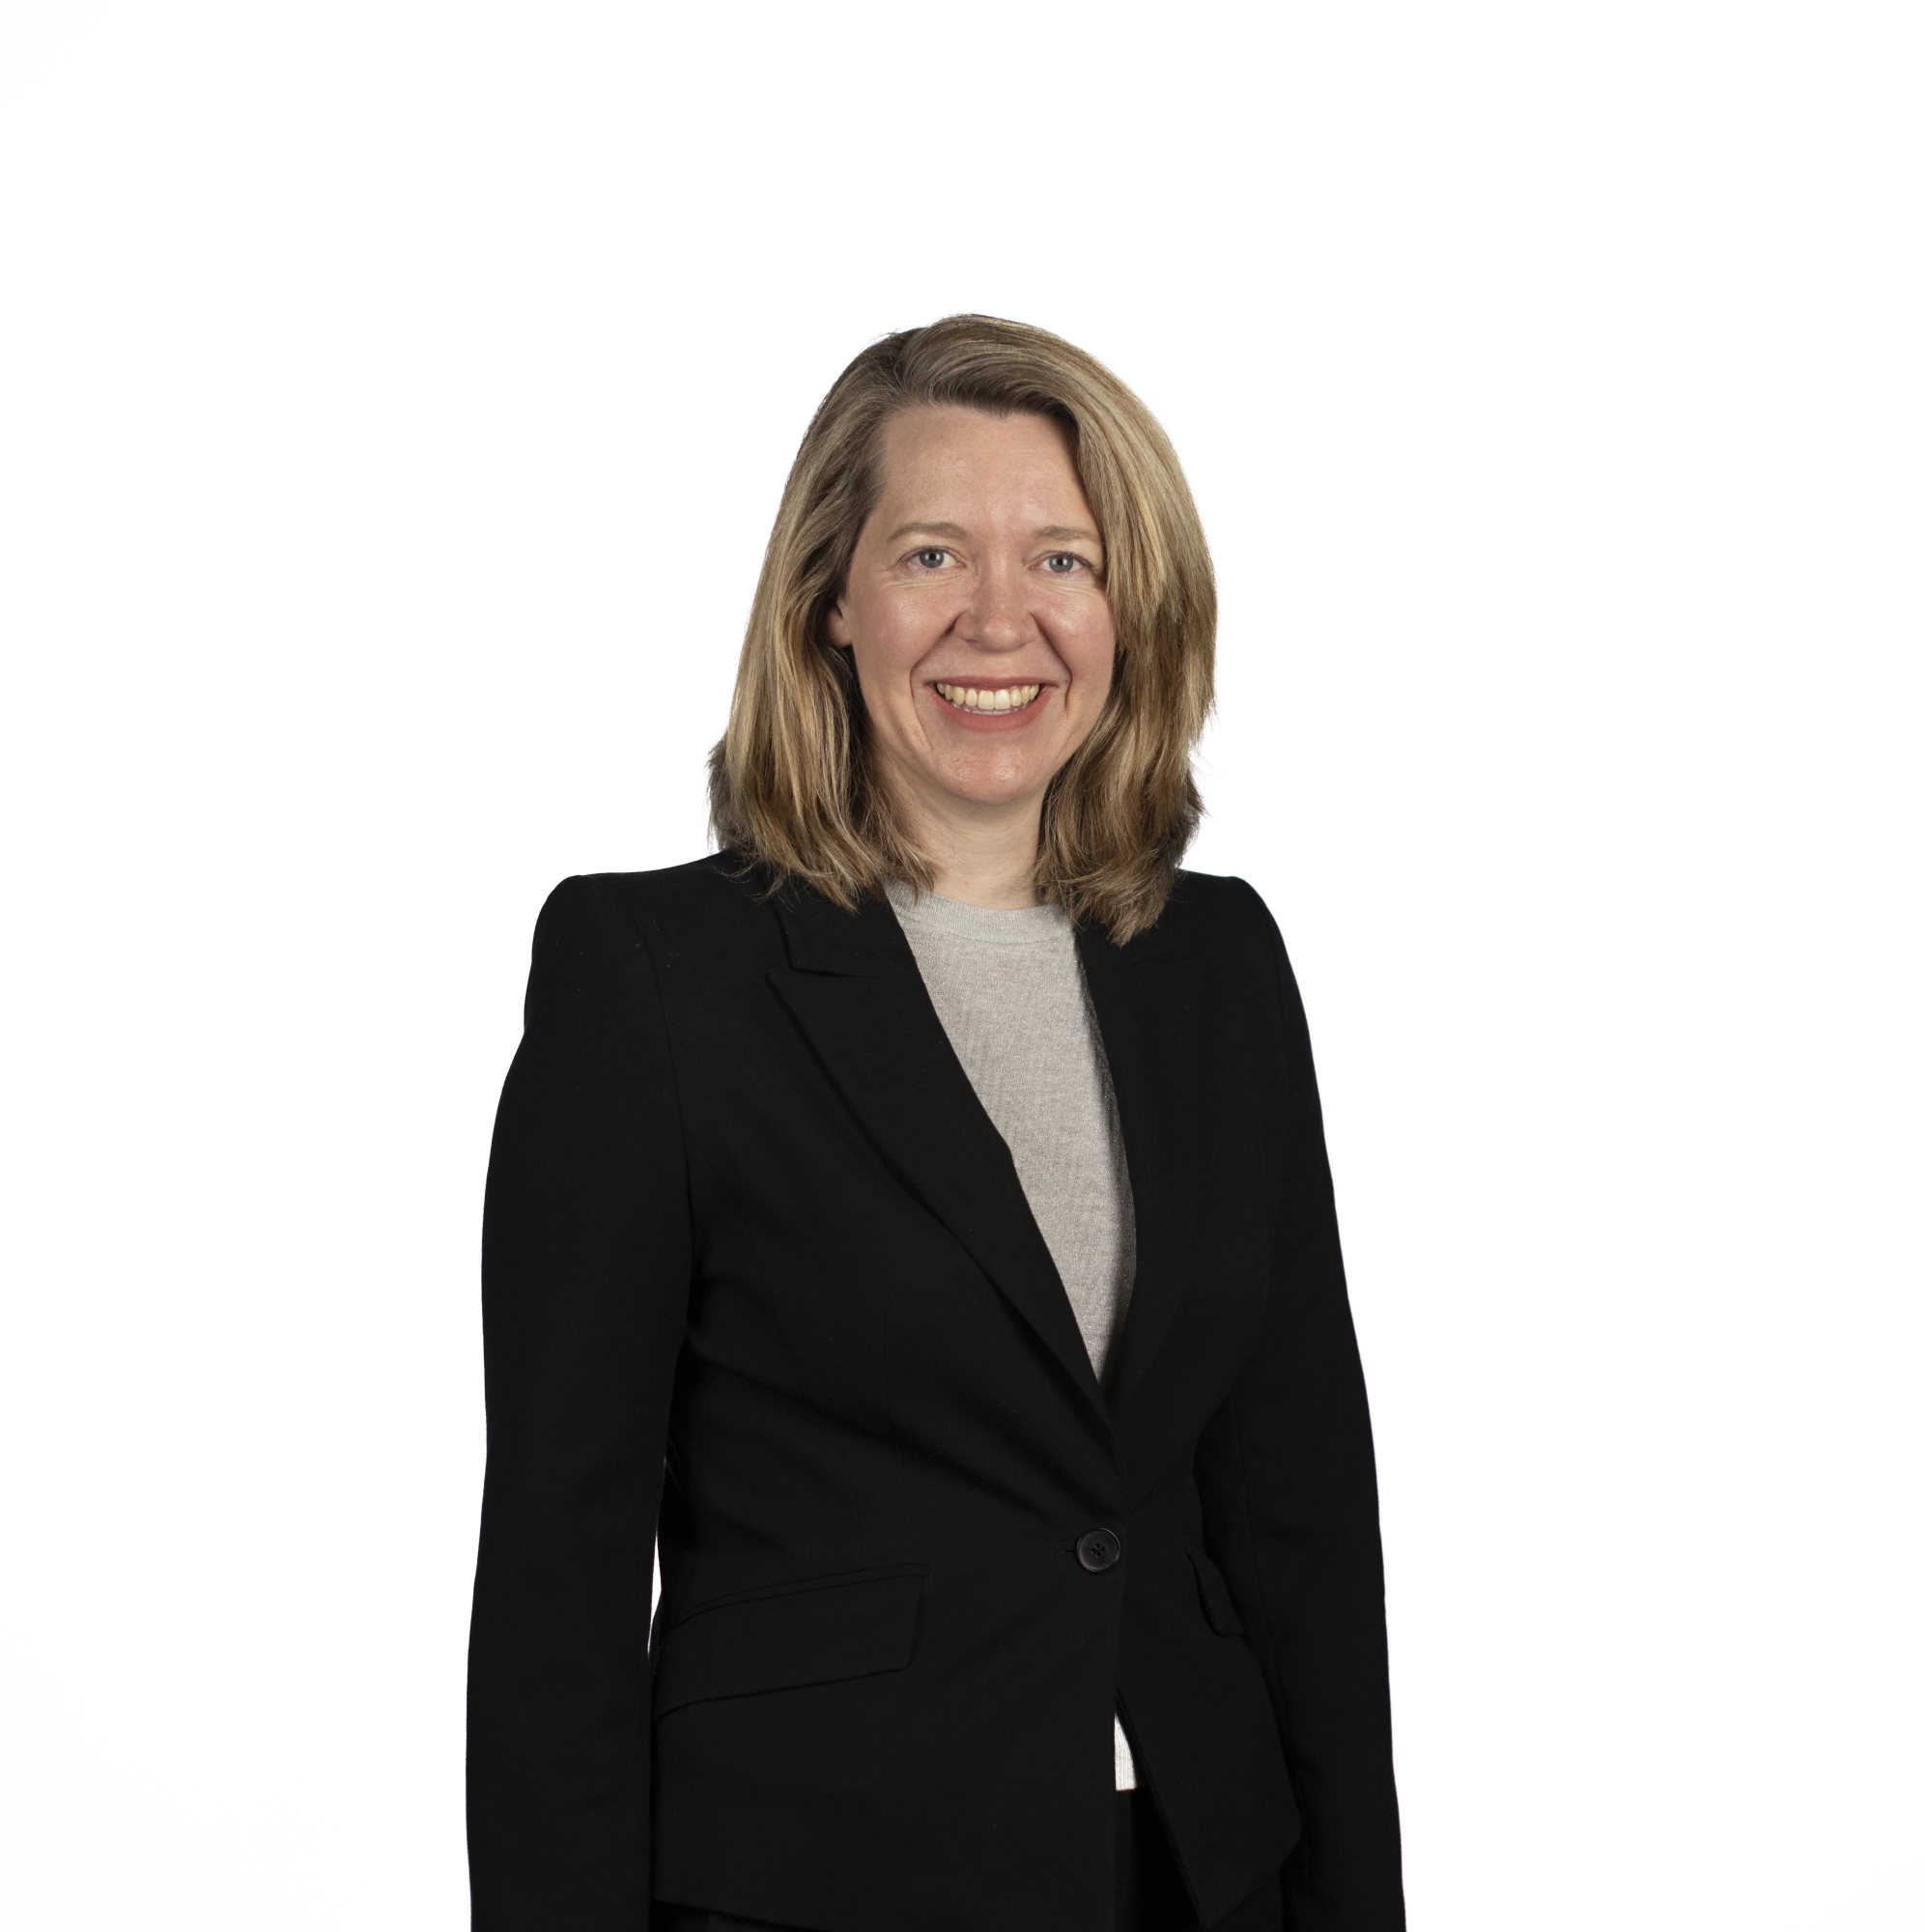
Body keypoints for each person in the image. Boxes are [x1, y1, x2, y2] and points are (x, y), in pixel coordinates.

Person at [467, 315, 1403, 1932]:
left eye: (1063, 558)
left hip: (1191, 1870)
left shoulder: (1220, 964)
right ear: (831, 599)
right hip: (820, 1882)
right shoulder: (654, 977)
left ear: (1130, 608)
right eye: (929, 553)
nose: (1002, 618)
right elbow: (560, 1566)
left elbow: (1303, 1516)